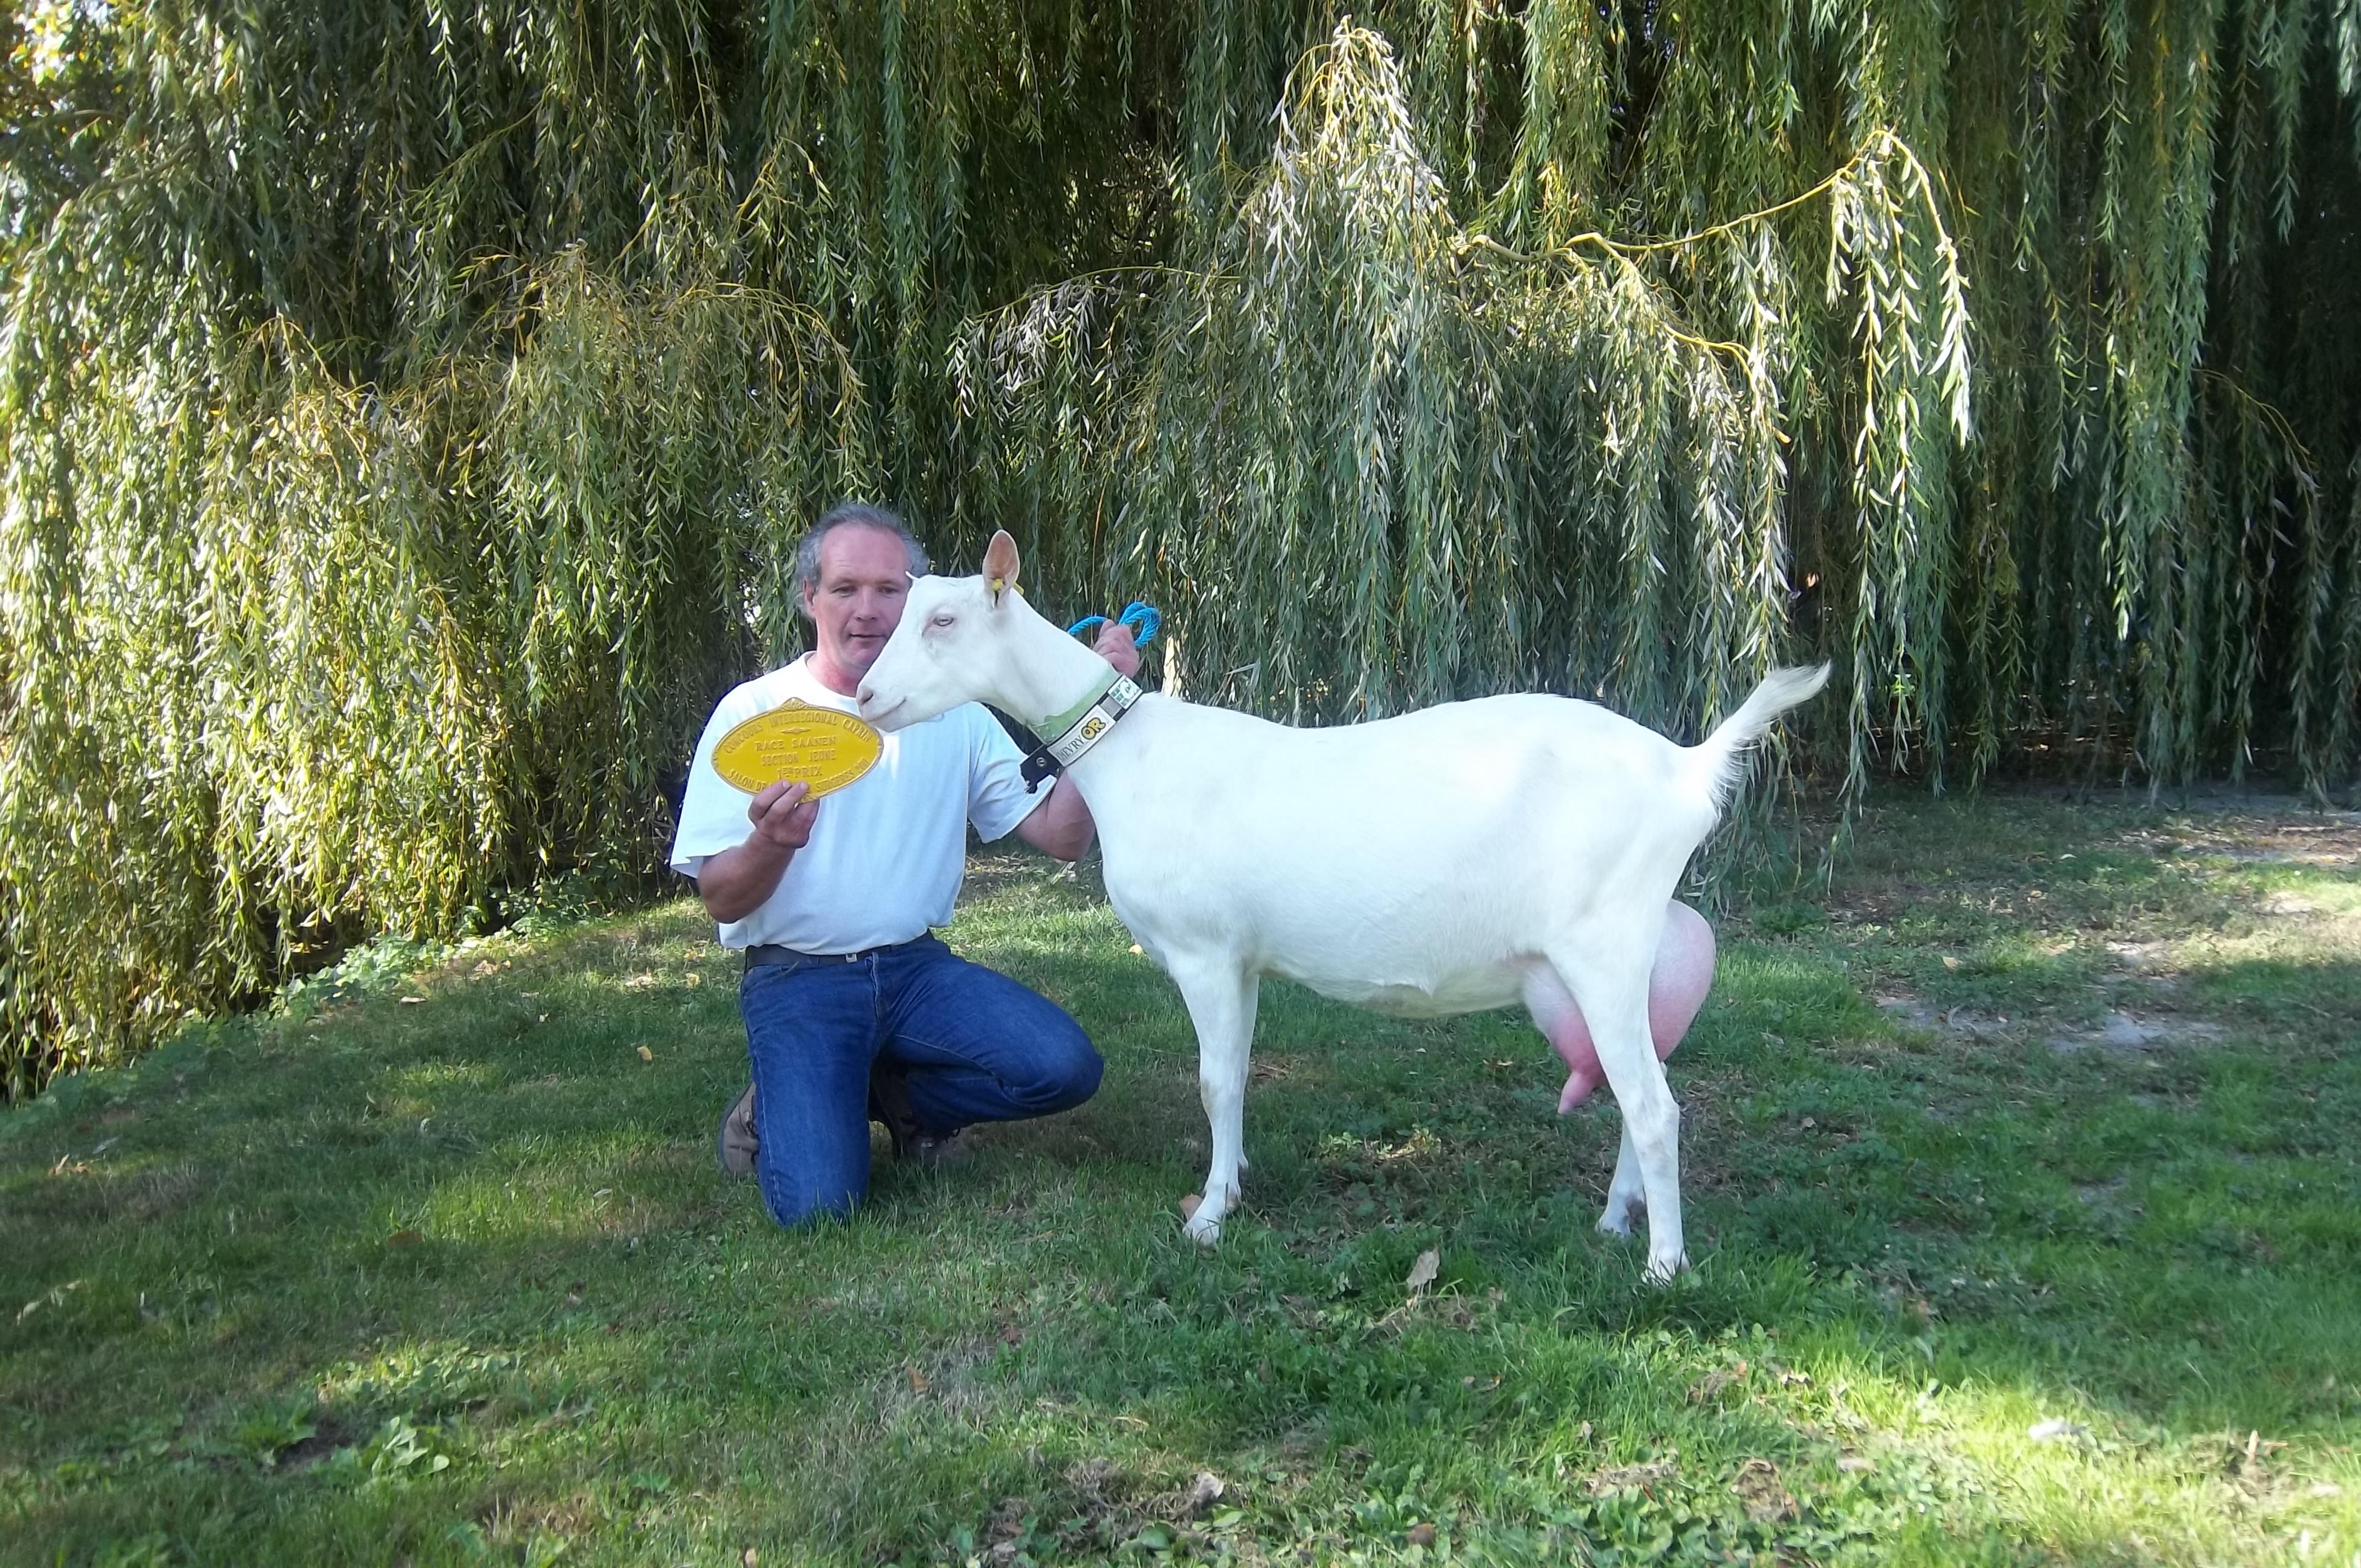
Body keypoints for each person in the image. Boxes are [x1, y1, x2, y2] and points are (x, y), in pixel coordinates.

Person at [669, 502, 1139, 1229]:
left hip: (916, 973)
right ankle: (786, 1101)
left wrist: (1101, 706)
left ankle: (885, 1097)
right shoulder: (753, 713)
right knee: (820, 1210)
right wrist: (770, 844)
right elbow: (724, 901)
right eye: (846, 589)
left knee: (1065, 1068)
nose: (868, 611)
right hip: (798, 978)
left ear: (915, 598)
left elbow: (1063, 836)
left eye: (889, 590)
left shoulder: (951, 710)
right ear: (808, 598)